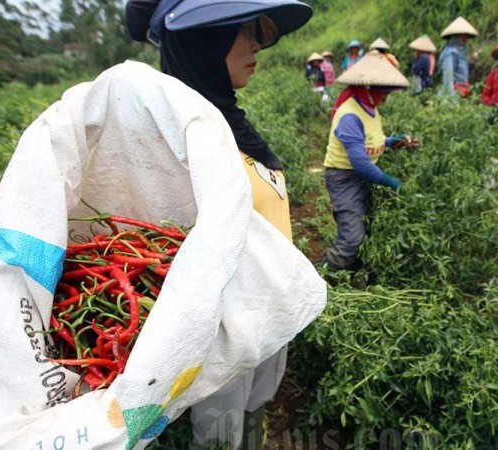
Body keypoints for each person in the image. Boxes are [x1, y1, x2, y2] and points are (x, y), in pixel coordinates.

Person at [125, 1, 314, 449]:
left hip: (262, 320)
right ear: (201, 42)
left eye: (256, 31)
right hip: (220, 336)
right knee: (220, 433)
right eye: (240, 30)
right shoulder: (176, 143)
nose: (255, 44)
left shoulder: (226, 120)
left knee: (252, 417)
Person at [321, 50, 420, 272]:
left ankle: (352, 271)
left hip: (359, 177)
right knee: (352, 241)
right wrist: (394, 183)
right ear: (368, 88)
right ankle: (320, 282)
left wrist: (394, 142)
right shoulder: (349, 115)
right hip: (344, 178)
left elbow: (372, 140)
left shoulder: (371, 109)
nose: (386, 97)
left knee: (366, 230)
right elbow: (362, 164)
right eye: (383, 92)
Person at [437, 16, 479, 97]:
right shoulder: (450, 53)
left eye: (466, 36)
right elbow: (448, 78)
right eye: (461, 36)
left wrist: (472, 62)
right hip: (450, 95)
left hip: (461, 93)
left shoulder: (461, 54)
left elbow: (462, 74)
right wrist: (452, 100)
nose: (465, 38)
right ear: (454, 36)